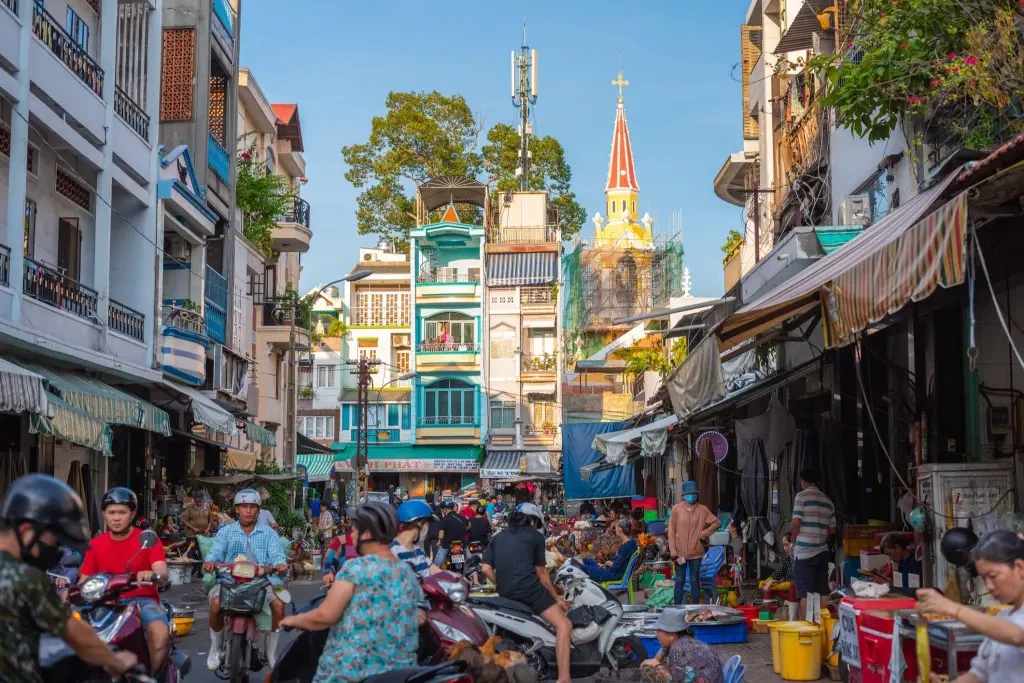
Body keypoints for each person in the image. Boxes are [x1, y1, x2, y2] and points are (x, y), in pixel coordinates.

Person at [0, 474, 138, 683]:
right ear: (26, 531)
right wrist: (115, 661)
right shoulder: (24, 577)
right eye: (54, 541)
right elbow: (75, 634)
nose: (55, 550)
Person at [280, 502, 421, 683]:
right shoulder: (406, 572)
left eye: (355, 530)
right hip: (401, 673)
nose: (352, 535)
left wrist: (292, 620)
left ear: (368, 534)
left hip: (351, 673)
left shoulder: (356, 568)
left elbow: (325, 616)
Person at [80, 487, 170, 674]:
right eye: (111, 512)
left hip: (142, 601)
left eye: (122, 512)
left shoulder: (147, 540)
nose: (116, 517)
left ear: (132, 514)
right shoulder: (95, 544)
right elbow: (84, 581)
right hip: (103, 603)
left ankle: (151, 677)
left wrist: (150, 575)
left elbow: (162, 572)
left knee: (159, 634)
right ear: (104, 514)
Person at [916, 530, 1024, 683]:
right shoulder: (1003, 617)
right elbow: (979, 674)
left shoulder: (1009, 627)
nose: (989, 586)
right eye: (984, 578)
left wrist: (953, 608)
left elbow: (1017, 635)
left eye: (993, 576)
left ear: (1019, 568)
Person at [482, 502, 572, 683]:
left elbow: (485, 569)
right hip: (530, 590)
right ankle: (564, 678)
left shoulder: (497, 537)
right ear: (533, 520)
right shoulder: (536, 537)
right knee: (565, 625)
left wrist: (501, 584)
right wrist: (557, 599)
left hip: (505, 594)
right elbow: (542, 575)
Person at [203, 489, 288, 670]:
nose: (248, 511)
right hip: (229, 581)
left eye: (252, 507)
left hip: (262, 582)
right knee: (216, 604)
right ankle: (215, 648)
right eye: (244, 507)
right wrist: (210, 561)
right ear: (237, 510)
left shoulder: (269, 534)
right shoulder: (225, 533)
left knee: (279, 605)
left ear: (258, 510)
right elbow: (215, 551)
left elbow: (277, 555)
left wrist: (280, 564)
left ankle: (270, 652)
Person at [791, 467, 835, 615]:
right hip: (822, 551)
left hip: (804, 552)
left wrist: (793, 539)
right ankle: (823, 627)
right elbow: (832, 530)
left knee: (805, 593)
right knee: (822, 591)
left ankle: (805, 630)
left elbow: (796, 522)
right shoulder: (828, 501)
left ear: (803, 481)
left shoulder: (801, 497)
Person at [668, 481, 720, 605]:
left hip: (697, 552)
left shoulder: (703, 509)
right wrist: (673, 551)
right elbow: (671, 531)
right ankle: (677, 609)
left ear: (697, 495)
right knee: (679, 580)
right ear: (684, 495)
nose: (691, 496)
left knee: (694, 579)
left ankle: (695, 608)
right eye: (689, 493)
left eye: (693, 493)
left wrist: (704, 534)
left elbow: (716, 523)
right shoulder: (676, 509)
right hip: (679, 552)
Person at [640, 609, 724, 683]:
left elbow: (673, 680)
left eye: (659, 630)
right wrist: (656, 659)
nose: (657, 634)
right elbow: (665, 648)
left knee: (653, 672)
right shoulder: (685, 639)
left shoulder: (679, 649)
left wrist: (657, 665)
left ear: (672, 634)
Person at [392, 500, 440, 578]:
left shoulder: (417, 549)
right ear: (419, 523)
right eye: (427, 522)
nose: (428, 527)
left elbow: (435, 571)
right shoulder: (393, 550)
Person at [582, 518, 638, 583]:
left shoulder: (628, 546)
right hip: (612, 571)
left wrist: (607, 563)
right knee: (586, 561)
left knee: (583, 568)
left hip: (614, 574)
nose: (615, 530)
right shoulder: (630, 543)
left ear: (620, 530)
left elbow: (616, 566)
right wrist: (604, 565)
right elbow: (618, 561)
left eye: (616, 528)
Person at [434, 501, 468, 567]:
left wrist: (439, 542)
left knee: (440, 557)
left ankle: (434, 572)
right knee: (469, 557)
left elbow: (441, 536)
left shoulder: (444, 520)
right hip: (461, 543)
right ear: (454, 509)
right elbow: (469, 526)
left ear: (446, 509)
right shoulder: (462, 517)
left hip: (447, 544)